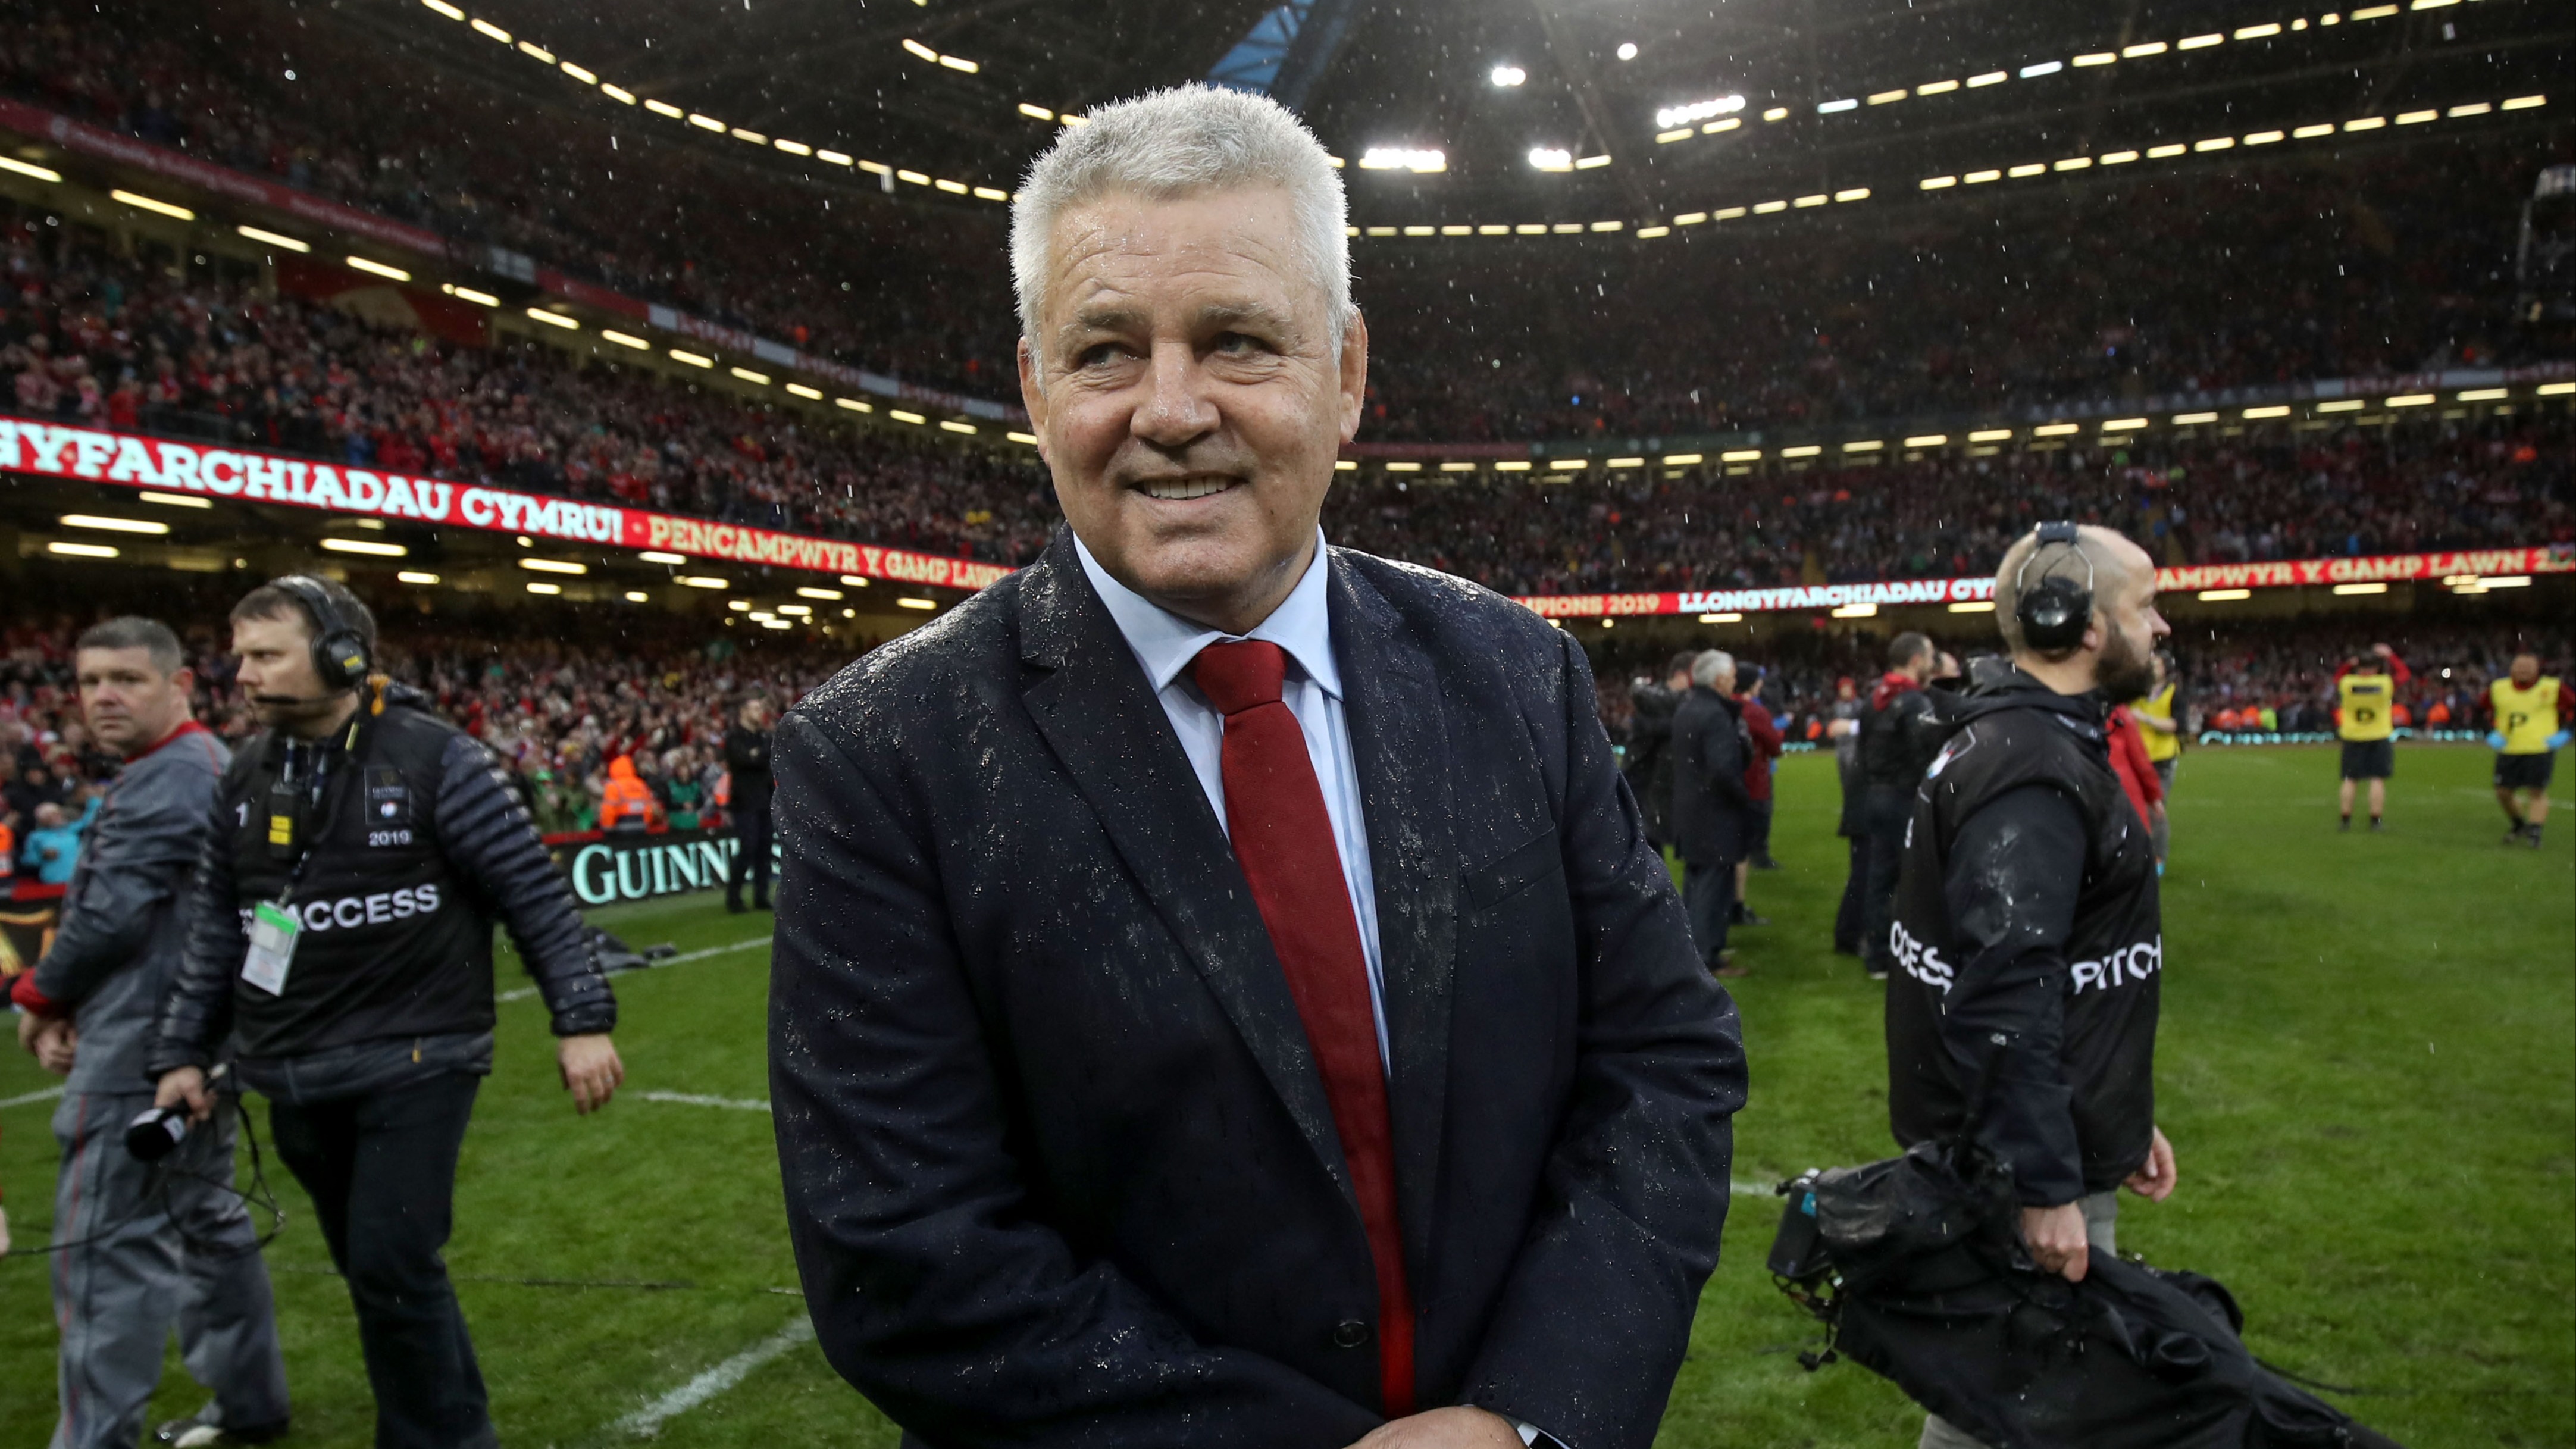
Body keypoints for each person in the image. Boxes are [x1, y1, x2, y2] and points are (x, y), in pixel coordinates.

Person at [769, 85, 1748, 1449]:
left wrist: (1535, 1411)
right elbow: (903, 1250)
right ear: (1035, 385)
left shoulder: (1515, 672)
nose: (1171, 410)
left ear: (1343, 372)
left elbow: (1662, 1053)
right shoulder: (882, 753)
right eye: (1106, 350)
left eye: (1235, 340)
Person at [148, 575, 624, 1449]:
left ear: (342, 654)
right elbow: (220, 927)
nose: (240, 672)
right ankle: (452, 1424)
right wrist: (181, 1051)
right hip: (289, 1065)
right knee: (381, 1276)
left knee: (390, 1261)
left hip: (419, 1054)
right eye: (238, 653)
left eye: (264, 653)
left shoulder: (438, 757)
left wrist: (581, 1016)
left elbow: (533, 893)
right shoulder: (246, 771)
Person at [1882, 522, 2178, 1449]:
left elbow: (2065, 970)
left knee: (2005, 1402)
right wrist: (2048, 1182)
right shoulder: (2032, 766)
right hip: (2019, 1167)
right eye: (2144, 605)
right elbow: (2006, 995)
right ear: (2077, 622)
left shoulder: (2027, 740)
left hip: (2030, 1137)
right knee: (2029, 1408)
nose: (2163, 626)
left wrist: (2117, 1110)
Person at [8, 618, 290, 1449]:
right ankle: (250, 1400)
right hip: (196, 1040)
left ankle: (94, 1437)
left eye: (127, 678)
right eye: (91, 678)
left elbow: (107, 917)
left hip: (142, 1051)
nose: (103, 695)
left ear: (181, 687)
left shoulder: (170, 774)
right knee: (209, 1219)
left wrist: (40, 996)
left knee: (105, 1249)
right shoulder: (200, 766)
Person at [1857, 633, 1943, 982]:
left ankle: (1877, 953)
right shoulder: (1913, 703)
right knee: (1914, 878)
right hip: (1904, 797)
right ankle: (1912, 955)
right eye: (1931, 656)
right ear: (1917, 660)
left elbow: (1863, 753)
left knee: (1879, 877)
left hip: (1875, 794)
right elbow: (1925, 753)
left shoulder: (1873, 700)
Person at [1673, 650, 1753, 978]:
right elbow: (1723, 770)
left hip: (1691, 812)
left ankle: (1694, 950)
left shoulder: (1688, 708)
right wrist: (1742, 798)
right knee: (1713, 887)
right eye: (1732, 674)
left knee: (1697, 884)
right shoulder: (1715, 715)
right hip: (1714, 816)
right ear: (1720, 679)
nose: (1735, 681)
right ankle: (1706, 958)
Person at [2487, 652, 2569, 848]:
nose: (2523, 670)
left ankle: (2535, 831)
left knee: (2537, 791)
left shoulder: (2553, 688)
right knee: (2503, 792)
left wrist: (2566, 732)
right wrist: (2491, 730)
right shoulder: (2499, 688)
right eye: (2519, 666)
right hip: (2509, 748)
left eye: (2528, 667)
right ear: (2512, 668)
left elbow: (2571, 707)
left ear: (2537, 669)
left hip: (2540, 748)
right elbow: (2482, 708)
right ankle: (2519, 824)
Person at [1623, 652, 1695, 854]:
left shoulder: (1658, 700)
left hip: (1660, 786)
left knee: (1651, 847)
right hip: (1640, 784)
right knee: (1646, 848)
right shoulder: (1660, 703)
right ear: (1682, 675)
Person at [2334, 644, 2405, 832]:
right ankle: (2375, 820)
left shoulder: (2348, 683)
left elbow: (2337, 678)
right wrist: (2391, 656)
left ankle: (2345, 820)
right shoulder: (2384, 683)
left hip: (2353, 736)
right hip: (2378, 735)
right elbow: (2404, 675)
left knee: (2350, 779)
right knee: (2377, 779)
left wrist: (2348, 664)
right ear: (2376, 667)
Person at [1826, 676, 1868, 954]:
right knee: (1867, 874)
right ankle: (1855, 936)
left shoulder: (1861, 710)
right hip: (1868, 806)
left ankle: (1850, 934)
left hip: (1862, 804)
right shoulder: (1860, 712)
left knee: (1864, 873)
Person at [722, 696, 774, 913]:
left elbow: (768, 758)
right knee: (748, 848)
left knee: (764, 850)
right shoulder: (734, 737)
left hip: (765, 799)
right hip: (744, 801)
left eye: (761, 708)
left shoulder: (764, 736)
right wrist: (757, 756)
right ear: (743, 712)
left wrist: (758, 756)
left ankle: (761, 897)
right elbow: (744, 761)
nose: (759, 712)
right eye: (755, 708)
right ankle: (734, 897)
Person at [1735, 665, 1783, 885]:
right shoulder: (1754, 711)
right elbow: (1774, 745)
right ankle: (1757, 857)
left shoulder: (1723, 706)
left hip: (1729, 778)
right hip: (1755, 778)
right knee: (1759, 820)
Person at [2132, 651, 2180, 859]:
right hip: (2138, 758)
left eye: (2156, 665)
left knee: (2155, 809)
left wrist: (2146, 719)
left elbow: (2176, 724)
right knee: (2133, 807)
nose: (2151, 668)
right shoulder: (2137, 690)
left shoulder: (2174, 693)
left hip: (2162, 759)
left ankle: (2158, 857)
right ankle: (2138, 853)